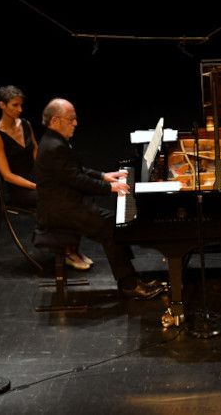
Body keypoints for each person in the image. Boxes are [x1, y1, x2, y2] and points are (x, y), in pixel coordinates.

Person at [34, 97, 162, 299]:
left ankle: (130, 276)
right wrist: (109, 187)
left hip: (66, 204)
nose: (75, 123)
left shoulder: (54, 141)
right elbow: (77, 180)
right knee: (111, 227)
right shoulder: (55, 146)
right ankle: (129, 284)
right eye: (71, 119)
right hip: (60, 211)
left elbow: (76, 170)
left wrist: (104, 176)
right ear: (56, 120)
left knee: (112, 223)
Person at [0, 85, 92, 270]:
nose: (20, 110)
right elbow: (7, 175)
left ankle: (72, 247)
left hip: (39, 180)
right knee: (59, 199)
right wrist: (36, 186)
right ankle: (66, 251)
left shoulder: (26, 125)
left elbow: (38, 153)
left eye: (21, 105)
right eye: (15, 105)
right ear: (2, 105)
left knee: (74, 191)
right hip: (19, 189)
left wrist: (51, 175)